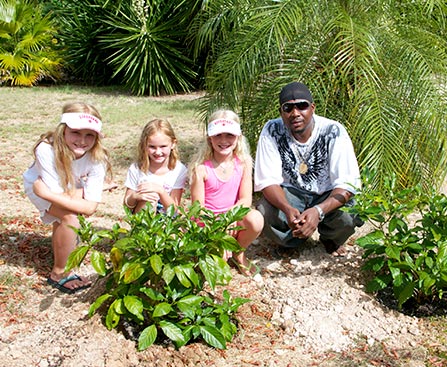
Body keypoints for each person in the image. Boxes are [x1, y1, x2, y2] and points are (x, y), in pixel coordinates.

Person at [254, 81, 363, 257]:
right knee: (265, 212)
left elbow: (347, 185)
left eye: (302, 106)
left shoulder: (333, 131)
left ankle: (330, 239)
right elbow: (267, 181)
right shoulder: (272, 130)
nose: (295, 113)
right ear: (281, 113)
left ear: (312, 108)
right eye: (288, 108)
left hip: (326, 193)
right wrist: (288, 209)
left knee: (349, 214)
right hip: (291, 194)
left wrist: (318, 211)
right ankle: (291, 241)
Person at [23, 102, 112, 293]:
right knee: (70, 218)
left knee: (68, 216)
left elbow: (90, 208)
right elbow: (59, 197)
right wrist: (81, 194)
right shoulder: (46, 149)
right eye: (76, 133)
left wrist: (46, 193)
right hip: (37, 185)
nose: (82, 141)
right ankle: (59, 273)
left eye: (90, 135)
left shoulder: (98, 157)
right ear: (63, 130)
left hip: (48, 189)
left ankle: (60, 255)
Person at [189, 109, 264, 277]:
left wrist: (229, 219)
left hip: (232, 221)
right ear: (210, 138)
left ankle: (238, 252)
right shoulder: (201, 169)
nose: (224, 141)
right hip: (208, 225)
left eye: (229, 135)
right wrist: (218, 229)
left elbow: (245, 199)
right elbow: (197, 209)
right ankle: (217, 250)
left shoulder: (243, 164)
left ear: (238, 137)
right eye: (218, 135)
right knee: (216, 269)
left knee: (256, 218)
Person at [123, 119, 187, 214]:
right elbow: (126, 205)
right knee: (150, 197)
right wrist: (135, 196)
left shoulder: (178, 170)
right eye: (152, 147)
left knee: (153, 193)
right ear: (144, 145)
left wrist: (160, 191)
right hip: (142, 217)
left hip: (168, 221)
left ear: (173, 144)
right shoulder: (136, 168)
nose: (158, 152)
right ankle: (145, 227)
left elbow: (175, 210)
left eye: (163, 146)